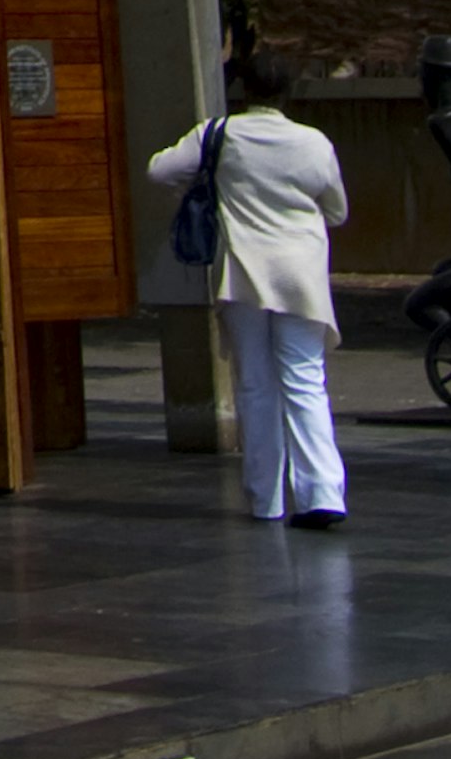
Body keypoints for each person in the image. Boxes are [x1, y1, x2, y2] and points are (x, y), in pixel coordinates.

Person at [147, 51, 350, 526]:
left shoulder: (218, 133)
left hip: (242, 274)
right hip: (300, 275)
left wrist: (205, 186)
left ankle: (266, 499)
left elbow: (159, 169)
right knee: (304, 380)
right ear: (287, 94)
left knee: (255, 385)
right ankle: (323, 492)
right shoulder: (313, 142)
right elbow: (337, 209)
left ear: (244, 89)